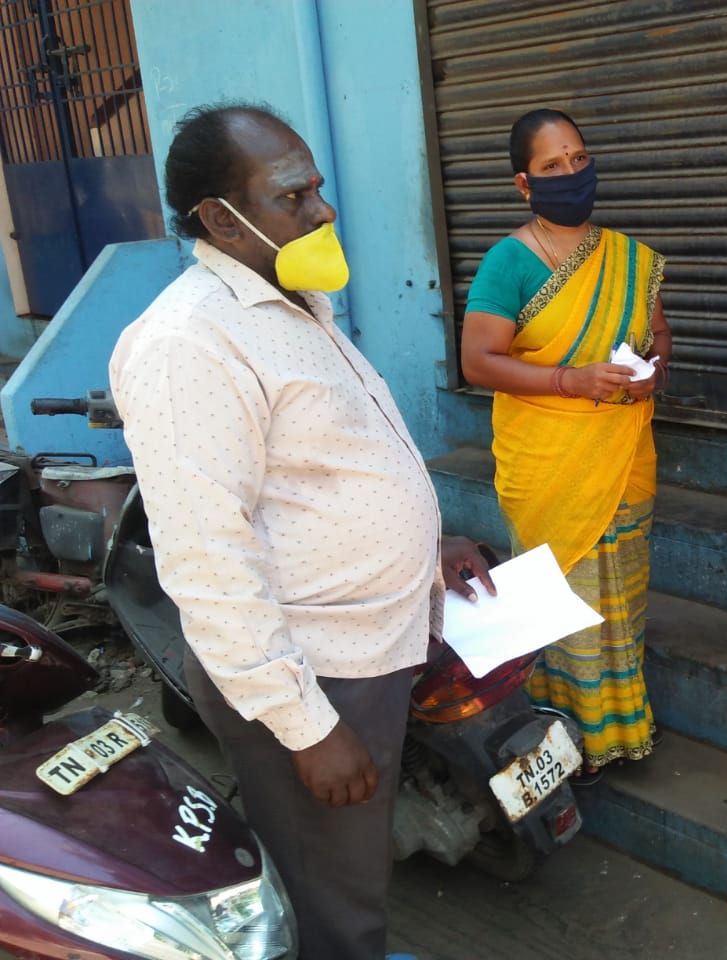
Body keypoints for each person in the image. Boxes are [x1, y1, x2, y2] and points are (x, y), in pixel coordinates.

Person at [109, 102, 494, 960]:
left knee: (345, 873)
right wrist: (309, 726)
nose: (323, 210)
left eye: (318, 186)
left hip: (370, 644)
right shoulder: (189, 341)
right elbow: (208, 561)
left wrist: (423, 550)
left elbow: (320, 471)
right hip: (317, 670)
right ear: (219, 218)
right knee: (331, 899)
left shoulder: (294, 302)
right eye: (295, 194)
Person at [460, 108, 670, 777]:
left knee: (621, 601)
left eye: (579, 158)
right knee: (563, 605)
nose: (572, 173)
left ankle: (620, 729)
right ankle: (563, 735)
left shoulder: (632, 258)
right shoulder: (509, 262)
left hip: (623, 457)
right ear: (525, 184)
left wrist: (651, 373)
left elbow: (659, 337)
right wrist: (570, 379)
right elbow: (479, 361)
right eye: (553, 166)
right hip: (551, 466)